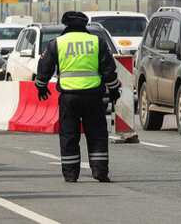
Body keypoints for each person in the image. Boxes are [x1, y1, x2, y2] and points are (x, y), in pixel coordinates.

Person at [35, 11, 120, 183]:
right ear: (84, 25)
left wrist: (41, 86)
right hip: (93, 96)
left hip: (68, 97)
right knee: (97, 134)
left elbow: (45, 66)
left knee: (69, 135)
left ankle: (71, 174)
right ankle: (100, 172)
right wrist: (113, 90)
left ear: (66, 25)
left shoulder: (57, 43)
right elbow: (109, 70)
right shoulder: (97, 42)